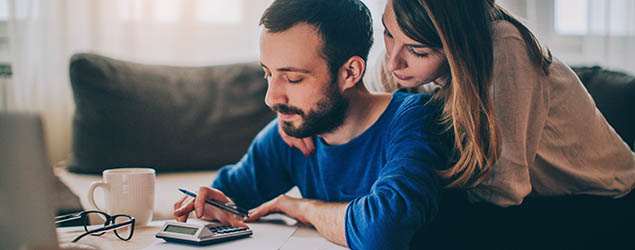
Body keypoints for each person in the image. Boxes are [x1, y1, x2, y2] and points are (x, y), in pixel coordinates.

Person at [280, 0, 635, 248]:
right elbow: (357, 101)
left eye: (417, 51)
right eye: (388, 34)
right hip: (525, 201)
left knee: (422, 223)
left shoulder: (504, 49)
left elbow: (503, 189)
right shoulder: (403, 47)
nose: (392, 62)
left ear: (458, 47)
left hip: (600, 203)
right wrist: (300, 114)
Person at [173, 0, 452, 249]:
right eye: (268, 73)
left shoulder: (415, 120)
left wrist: (302, 208)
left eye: (293, 78)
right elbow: (229, 197)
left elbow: (383, 232)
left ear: (349, 72)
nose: (271, 98)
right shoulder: (292, 131)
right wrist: (210, 203)